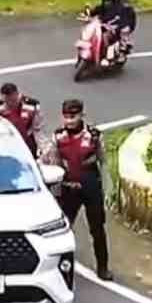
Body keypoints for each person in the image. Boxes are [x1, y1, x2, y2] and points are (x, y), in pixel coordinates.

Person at [42, 99, 113, 281]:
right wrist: (58, 190)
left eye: (73, 117)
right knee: (62, 229)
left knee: (97, 228)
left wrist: (108, 189)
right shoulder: (58, 137)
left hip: (90, 184)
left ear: (82, 115)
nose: (69, 121)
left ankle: (103, 267)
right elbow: (56, 165)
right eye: (66, 117)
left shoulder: (94, 136)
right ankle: (58, 269)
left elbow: (103, 163)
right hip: (68, 186)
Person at [0, 82, 48, 158]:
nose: (10, 104)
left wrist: (44, 149)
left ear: (18, 95)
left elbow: (38, 129)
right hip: (11, 144)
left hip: (29, 143)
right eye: (7, 101)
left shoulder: (32, 106)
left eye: (13, 100)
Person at [86, 0, 137, 64]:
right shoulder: (105, 5)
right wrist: (88, 13)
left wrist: (122, 26)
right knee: (93, 33)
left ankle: (122, 52)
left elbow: (129, 21)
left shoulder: (126, 8)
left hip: (118, 28)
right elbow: (94, 11)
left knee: (123, 32)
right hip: (104, 26)